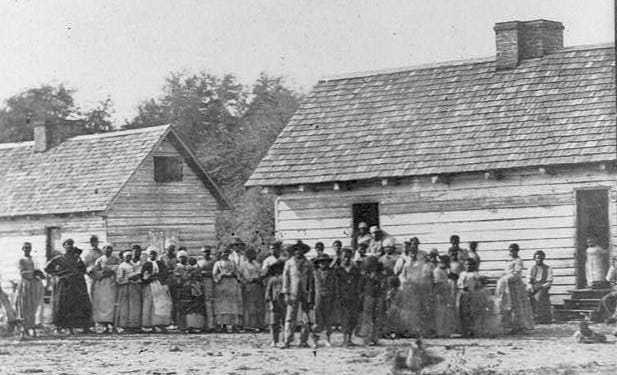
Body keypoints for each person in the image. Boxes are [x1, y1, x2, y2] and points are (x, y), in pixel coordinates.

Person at [44, 239, 93, 334]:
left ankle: (84, 327)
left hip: (78, 284)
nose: (69, 246)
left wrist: (79, 266)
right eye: (67, 244)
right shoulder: (59, 258)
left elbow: (83, 269)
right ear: (64, 246)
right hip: (65, 284)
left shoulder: (77, 258)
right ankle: (68, 328)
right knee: (67, 305)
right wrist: (58, 273)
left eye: (71, 244)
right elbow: (47, 268)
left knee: (81, 304)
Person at [392, 241, 433, 337]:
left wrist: (418, 283)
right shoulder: (406, 263)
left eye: (414, 252)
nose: (413, 254)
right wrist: (406, 282)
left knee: (416, 308)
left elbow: (422, 275)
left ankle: (414, 330)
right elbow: (402, 275)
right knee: (406, 308)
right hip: (407, 287)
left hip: (417, 287)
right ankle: (405, 329)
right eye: (411, 252)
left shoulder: (420, 263)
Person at [281, 241, 314, 349]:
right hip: (292, 292)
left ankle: (303, 340)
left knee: (306, 317)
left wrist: (310, 294)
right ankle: (287, 340)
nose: (299, 252)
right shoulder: (289, 263)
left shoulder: (308, 263)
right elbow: (285, 278)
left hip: (305, 292)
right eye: (296, 249)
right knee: (290, 316)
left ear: (304, 251)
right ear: (294, 251)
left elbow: (311, 280)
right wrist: (286, 293)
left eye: (301, 250)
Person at [495, 243, 534, 333]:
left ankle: (519, 326)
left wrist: (506, 279)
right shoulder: (509, 260)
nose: (511, 252)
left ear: (517, 251)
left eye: (513, 251)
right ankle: (511, 325)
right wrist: (502, 277)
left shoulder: (518, 261)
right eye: (510, 251)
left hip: (515, 285)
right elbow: (506, 272)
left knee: (517, 305)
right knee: (508, 305)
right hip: (507, 285)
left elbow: (517, 273)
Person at [15, 242, 45, 337]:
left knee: (33, 306)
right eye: (25, 248)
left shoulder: (33, 259)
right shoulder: (21, 260)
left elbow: (37, 270)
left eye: (29, 248)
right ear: (22, 249)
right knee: (24, 306)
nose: (27, 249)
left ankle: (32, 327)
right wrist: (33, 272)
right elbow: (22, 273)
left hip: (33, 284)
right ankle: (24, 329)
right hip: (25, 284)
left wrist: (39, 274)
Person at [336, 248, 363, 346]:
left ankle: (350, 338)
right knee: (344, 318)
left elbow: (359, 283)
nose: (346, 259)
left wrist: (359, 294)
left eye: (348, 257)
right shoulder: (338, 270)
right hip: (342, 297)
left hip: (353, 296)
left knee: (353, 318)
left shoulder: (355, 270)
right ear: (341, 257)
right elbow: (336, 284)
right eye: (344, 257)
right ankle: (345, 339)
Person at [212, 248, 243, 332]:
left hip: (232, 284)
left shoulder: (233, 263)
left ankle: (234, 324)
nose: (225, 254)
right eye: (224, 253)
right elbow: (214, 274)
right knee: (222, 304)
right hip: (222, 284)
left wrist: (235, 274)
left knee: (233, 304)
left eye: (227, 253)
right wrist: (222, 274)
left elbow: (239, 272)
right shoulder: (218, 263)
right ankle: (222, 325)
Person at [141, 247, 171, 333]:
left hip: (159, 285)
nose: (152, 255)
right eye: (151, 253)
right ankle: (149, 324)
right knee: (149, 304)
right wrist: (148, 277)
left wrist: (159, 276)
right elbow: (143, 275)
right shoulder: (146, 264)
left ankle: (160, 324)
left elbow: (165, 273)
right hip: (150, 285)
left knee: (160, 304)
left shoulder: (160, 263)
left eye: (154, 253)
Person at [91, 244, 120, 333]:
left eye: (110, 248)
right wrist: (103, 273)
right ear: (103, 250)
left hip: (112, 282)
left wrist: (113, 270)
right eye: (106, 248)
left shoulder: (116, 259)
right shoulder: (99, 260)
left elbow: (120, 268)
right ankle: (104, 324)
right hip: (103, 283)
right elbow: (95, 271)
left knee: (112, 302)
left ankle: (112, 323)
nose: (108, 250)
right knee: (103, 303)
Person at [114, 251, 143, 333]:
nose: (129, 258)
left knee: (135, 306)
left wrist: (137, 277)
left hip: (134, 287)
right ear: (123, 257)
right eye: (127, 256)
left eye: (130, 256)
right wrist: (129, 278)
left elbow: (138, 274)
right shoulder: (121, 266)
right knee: (125, 307)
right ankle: (125, 325)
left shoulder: (134, 265)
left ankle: (134, 325)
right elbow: (119, 279)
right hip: (125, 287)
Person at [360, 257, 386, 346]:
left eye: (374, 265)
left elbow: (383, 286)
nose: (373, 267)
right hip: (368, 297)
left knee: (376, 318)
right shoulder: (364, 275)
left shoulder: (380, 275)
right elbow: (361, 286)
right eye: (371, 266)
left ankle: (375, 338)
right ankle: (366, 339)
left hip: (378, 297)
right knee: (367, 318)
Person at [311, 254, 336, 348]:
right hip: (318, 297)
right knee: (317, 319)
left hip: (329, 297)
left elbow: (335, 286)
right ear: (318, 264)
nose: (323, 264)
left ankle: (327, 339)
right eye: (321, 262)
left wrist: (334, 298)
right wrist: (311, 300)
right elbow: (311, 288)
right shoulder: (314, 273)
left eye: (325, 262)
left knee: (328, 318)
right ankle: (315, 340)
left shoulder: (332, 273)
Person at [240, 248, 265, 331]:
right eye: (252, 254)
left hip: (257, 286)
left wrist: (260, 278)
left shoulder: (256, 263)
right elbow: (246, 277)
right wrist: (255, 279)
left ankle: (259, 325)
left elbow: (260, 272)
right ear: (248, 256)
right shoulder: (244, 265)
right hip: (249, 286)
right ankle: (249, 325)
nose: (254, 256)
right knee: (250, 306)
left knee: (258, 305)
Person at [432, 255, 457, 337]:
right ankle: (440, 332)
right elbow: (438, 284)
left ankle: (445, 331)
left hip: (445, 293)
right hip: (440, 294)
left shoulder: (445, 271)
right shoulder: (437, 271)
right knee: (440, 313)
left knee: (445, 313)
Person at [526, 250, 553, 324]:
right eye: (537, 258)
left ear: (543, 258)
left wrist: (541, 286)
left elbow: (549, 281)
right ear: (534, 258)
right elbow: (528, 279)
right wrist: (530, 287)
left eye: (541, 258)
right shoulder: (531, 268)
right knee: (525, 296)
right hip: (533, 286)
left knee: (537, 297)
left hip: (543, 287)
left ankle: (539, 317)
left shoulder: (548, 268)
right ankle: (529, 317)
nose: (539, 259)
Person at [265, 260, 286, 347]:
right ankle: (274, 340)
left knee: (285, 322)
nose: (278, 270)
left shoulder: (285, 278)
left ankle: (285, 340)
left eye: (280, 268)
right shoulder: (272, 279)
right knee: (274, 323)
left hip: (284, 302)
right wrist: (268, 299)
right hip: (274, 302)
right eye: (276, 268)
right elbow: (268, 290)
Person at [198, 246, 217, 330]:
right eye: (204, 252)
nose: (205, 253)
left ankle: (211, 325)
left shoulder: (213, 262)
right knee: (201, 303)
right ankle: (201, 324)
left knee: (209, 302)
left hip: (210, 282)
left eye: (207, 252)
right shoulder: (199, 262)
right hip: (200, 283)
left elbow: (215, 272)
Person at [598, 256, 617, 323]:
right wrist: (612, 269)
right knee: (605, 299)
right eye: (615, 262)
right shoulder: (613, 269)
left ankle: (614, 317)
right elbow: (608, 279)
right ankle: (612, 316)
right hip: (615, 291)